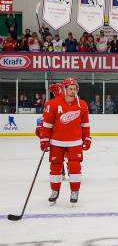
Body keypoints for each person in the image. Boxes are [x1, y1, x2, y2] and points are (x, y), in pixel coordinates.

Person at [39, 77, 91, 205]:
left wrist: (87, 138)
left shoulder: (82, 104)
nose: (73, 91)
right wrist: (45, 140)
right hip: (56, 142)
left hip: (75, 142)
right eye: (70, 88)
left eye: (75, 89)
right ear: (64, 89)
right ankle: (55, 191)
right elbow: (47, 124)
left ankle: (75, 191)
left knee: (74, 167)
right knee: (55, 167)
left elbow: (85, 124)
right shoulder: (53, 104)